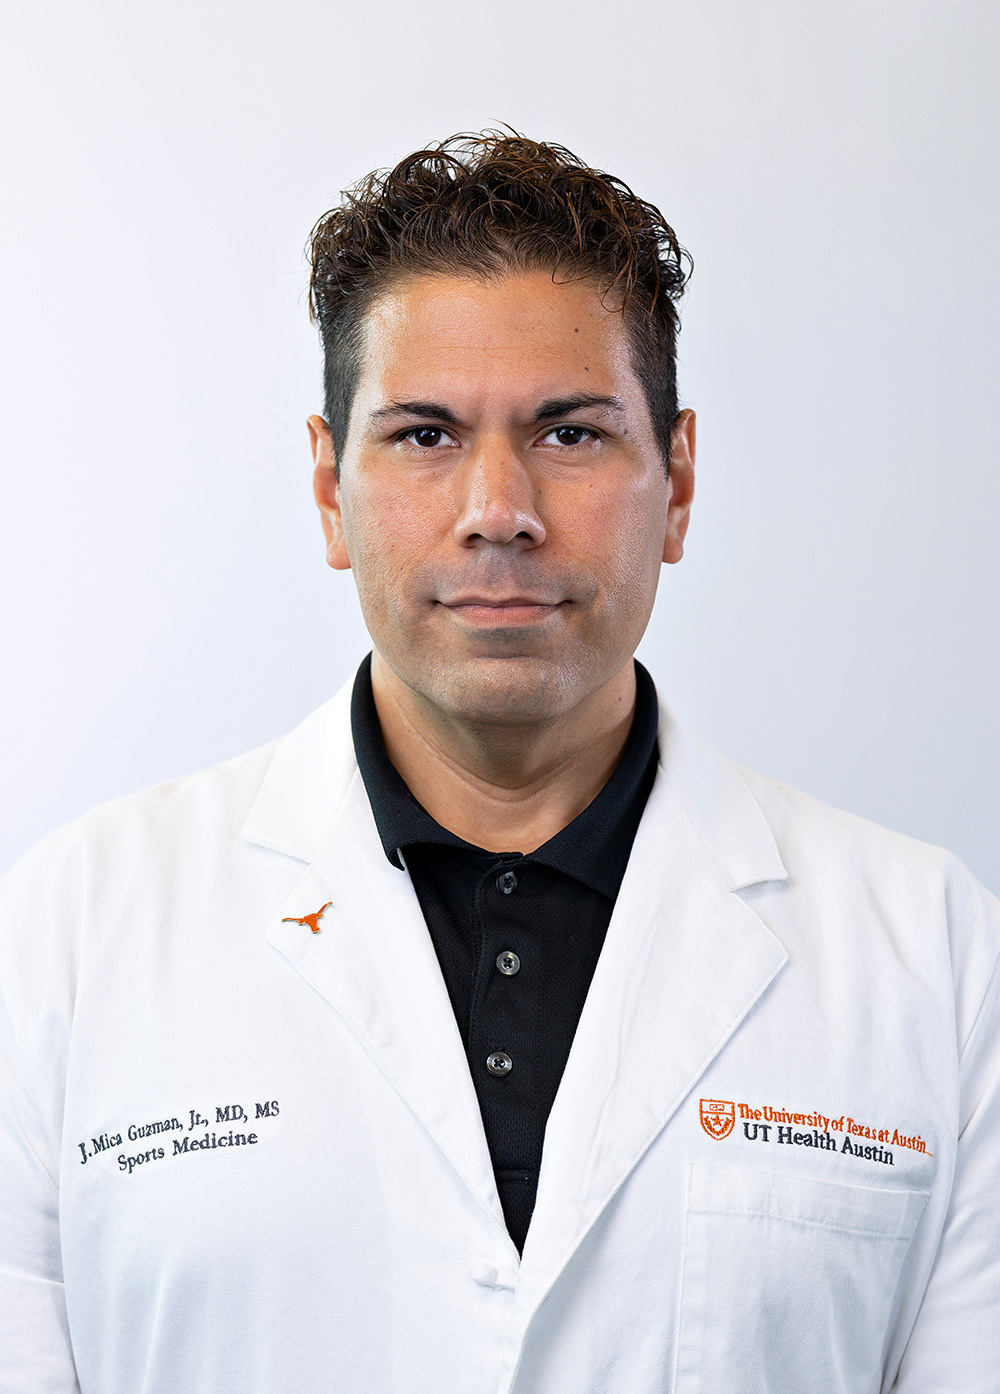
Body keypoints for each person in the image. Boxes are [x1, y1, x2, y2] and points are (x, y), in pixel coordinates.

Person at [0, 132, 997, 1394]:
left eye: (571, 433)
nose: (499, 506)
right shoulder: (70, 935)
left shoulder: (933, 958)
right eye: (423, 434)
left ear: (676, 481)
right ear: (327, 490)